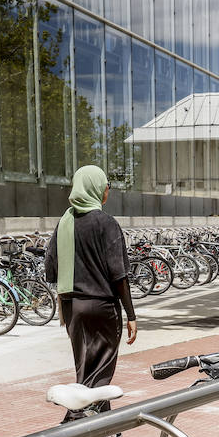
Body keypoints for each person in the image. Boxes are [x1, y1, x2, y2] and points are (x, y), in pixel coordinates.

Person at [46, 164, 137, 421]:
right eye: (106, 186)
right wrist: (131, 314)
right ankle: (73, 423)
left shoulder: (65, 222)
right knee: (101, 372)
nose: (107, 191)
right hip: (101, 307)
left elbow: (50, 267)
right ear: (97, 189)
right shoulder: (106, 223)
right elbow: (119, 274)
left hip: (72, 308)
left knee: (85, 368)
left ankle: (100, 429)